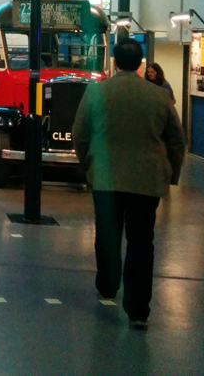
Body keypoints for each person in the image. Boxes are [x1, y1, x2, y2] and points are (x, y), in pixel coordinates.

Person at [73, 39, 186, 330]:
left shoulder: (97, 92)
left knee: (108, 235)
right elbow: (176, 139)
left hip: (106, 178)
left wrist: (88, 164)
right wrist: (171, 174)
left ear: (114, 60)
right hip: (146, 180)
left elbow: (80, 133)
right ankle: (138, 309)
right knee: (141, 241)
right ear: (140, 63)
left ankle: (108, 286)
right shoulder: (160, 97)